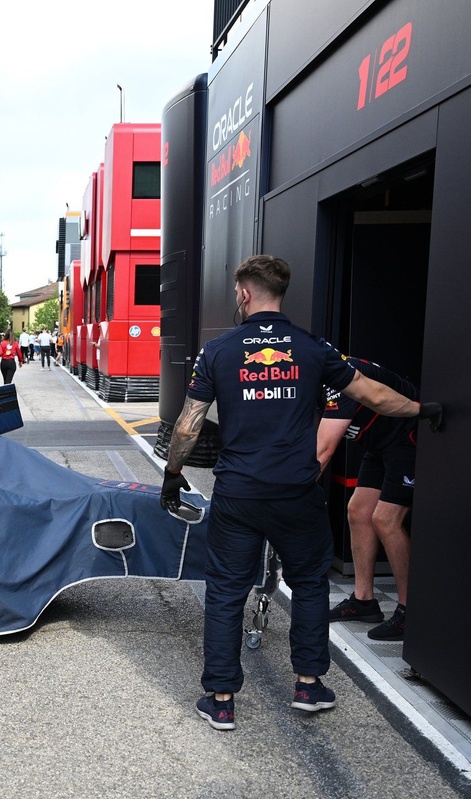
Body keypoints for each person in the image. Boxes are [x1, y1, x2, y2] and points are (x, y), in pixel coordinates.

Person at [159, 255, 442, 731]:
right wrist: (421, 408)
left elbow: (189, 421)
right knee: (309, 585)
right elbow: (374, 395)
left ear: (244, 294)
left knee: (226, 591)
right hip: (297, 492)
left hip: (239, 494)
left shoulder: (219, 351)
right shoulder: (313, 349)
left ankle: (222, 699)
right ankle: (309, 686)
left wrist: (172, 473)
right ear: (280, 293)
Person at [317, 357, 421, 641]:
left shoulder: (339, 378)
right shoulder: (313, 378)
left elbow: (323, 452)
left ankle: (409, 612)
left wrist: (287, 499)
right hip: (379, 443)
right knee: (358, 512)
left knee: (385, 520)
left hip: (409, 435)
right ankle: (364, 601)